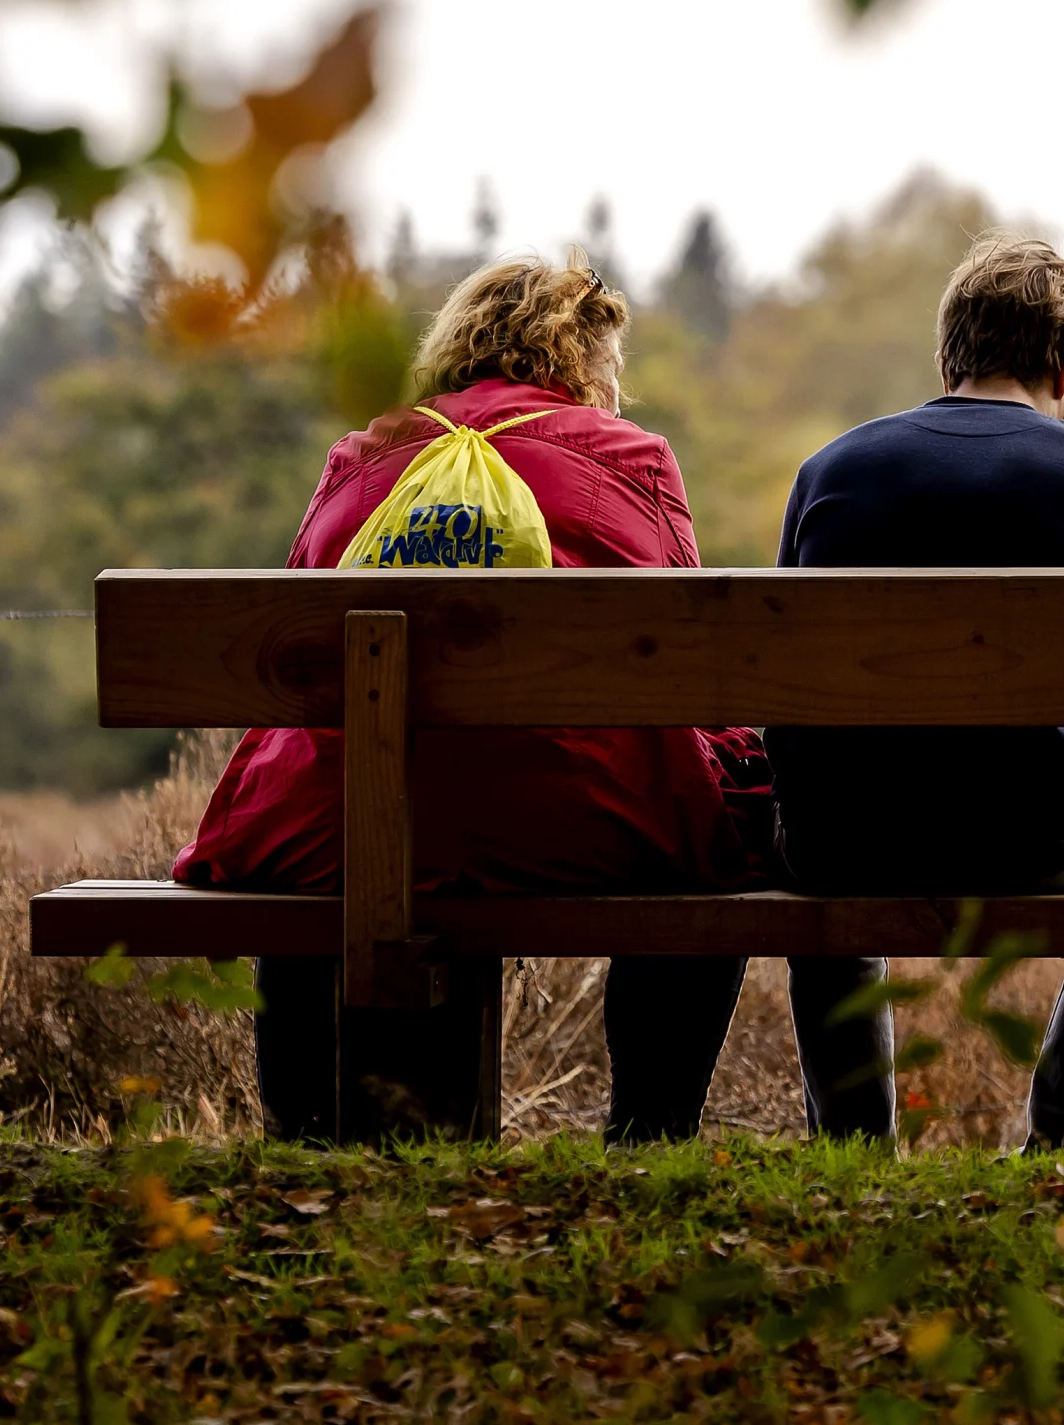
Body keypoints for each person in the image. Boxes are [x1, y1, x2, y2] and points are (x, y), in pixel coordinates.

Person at [170, 254, 775, 1141]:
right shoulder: (633, 460)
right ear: (582, 363)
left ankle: (304, 1134)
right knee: (712, 850)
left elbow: (297, 658)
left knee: (316, 852)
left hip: (351, 830)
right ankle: (649, 1135)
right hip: (589, 825)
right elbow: (693, 673)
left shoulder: (361, 457)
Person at [772, 235, 1064, 1149]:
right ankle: (1060, 1145)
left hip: (846, 839)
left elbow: (790, 704)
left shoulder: (829, 472)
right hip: (1032, 836)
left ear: (949, 354)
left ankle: (853, 1152)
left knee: (819, 844)